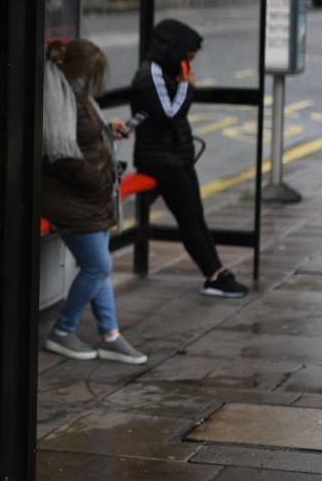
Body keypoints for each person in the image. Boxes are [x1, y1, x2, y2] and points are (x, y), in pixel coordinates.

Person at [41, 40, 148, 364]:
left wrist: (108, 129)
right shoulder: (57, 95)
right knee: (98, 266)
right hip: (71, 195)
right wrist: (98, 181)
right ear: (76, 69)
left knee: (99, 268)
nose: (94, 80)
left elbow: (82, 134)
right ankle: (62, 331)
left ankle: (110, 335)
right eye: (92, 72)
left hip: (89, 194)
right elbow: (60, 152)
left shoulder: (75, 93)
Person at [130, 19, 249, 298]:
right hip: (161, 160)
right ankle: (214, 274)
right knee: (188, 218)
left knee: (196, 214)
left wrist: (183, 82)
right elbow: (169, 115)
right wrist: (187, 87)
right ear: (174, 53)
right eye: (187, 58)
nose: (189, 65)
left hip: (177, 156)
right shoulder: (152, 74)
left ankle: (217, 271)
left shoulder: (167, 71)